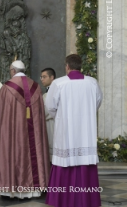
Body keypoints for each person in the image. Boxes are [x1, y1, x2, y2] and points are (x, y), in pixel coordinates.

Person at [0, 60, 50, 199]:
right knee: (33, 150)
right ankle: (34, 188)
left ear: (13, 71)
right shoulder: (36, 87)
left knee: (11, 151)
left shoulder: (7, 88)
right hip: (33, 132)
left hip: (12, 132)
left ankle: (10, 190)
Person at [45, 54, 102, 207]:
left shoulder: (59, 83)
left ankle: (62, 200)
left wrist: (62, 118)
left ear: (67, 66)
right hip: (85, 131)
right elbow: (97, 102)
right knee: (84, 163)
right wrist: (85, 115)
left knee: (65, 160)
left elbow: (50, 107)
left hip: (66, 131)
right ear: (80, 66)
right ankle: (86, 200)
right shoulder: (92, 83)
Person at [40, 67, 56, 161]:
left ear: (52, 77)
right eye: (41, 77)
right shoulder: (48, 92)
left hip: (53, 124)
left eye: (44, 77)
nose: (42, 79)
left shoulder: (54, 91)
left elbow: (48, 110)